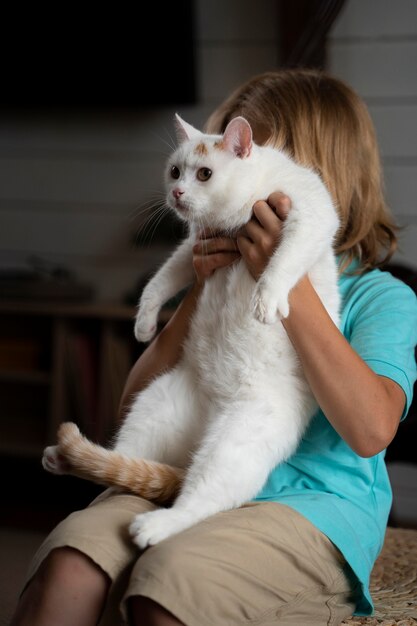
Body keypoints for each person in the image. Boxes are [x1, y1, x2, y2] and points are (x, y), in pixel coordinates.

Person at [11, 69, 417, 626]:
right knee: (69, 563)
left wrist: (285, 278)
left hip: (311, 506)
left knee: (170, 584)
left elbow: (372, 431)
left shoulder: (381, 296)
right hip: (186, 465)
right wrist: (199, 286)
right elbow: (133, 406)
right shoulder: (215, 259)